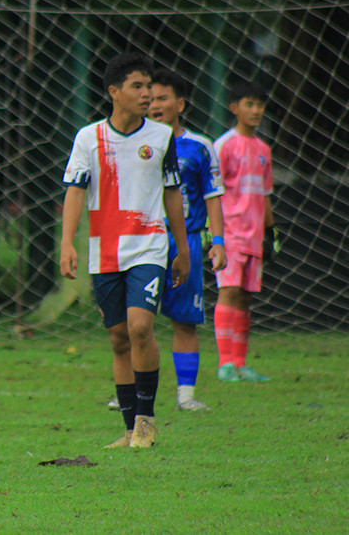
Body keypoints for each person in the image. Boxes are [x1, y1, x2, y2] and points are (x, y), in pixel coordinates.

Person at [60, 52, 190, 449]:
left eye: (149, 86)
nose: (147, 93)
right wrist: (67, 242)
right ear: (115, 92)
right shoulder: (88, 137)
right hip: (104, 251)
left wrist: (181, 248)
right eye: (138, 86)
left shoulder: (162, 137)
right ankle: (130, 428)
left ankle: (147, 423)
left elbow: (172, 193)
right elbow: (75, 191)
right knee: (118, 338)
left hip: (149, 246)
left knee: (140, 327)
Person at [147, 68, 227, 409]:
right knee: (137, 319)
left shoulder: (199, 146)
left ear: (179, 103)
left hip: (188, 242)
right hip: (145, 241)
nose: (154, 105)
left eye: (162, 98)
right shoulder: (137, 143)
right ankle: (134, 389)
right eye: (149, 98)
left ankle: (186, 396)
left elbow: (212, 195)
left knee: (185, 319)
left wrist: (219, 241)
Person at [213, 82, 275, 382]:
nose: (256, 110)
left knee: (246, 297)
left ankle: (240, 362)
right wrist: (214, 234)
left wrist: (271, 231)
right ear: (235, 107)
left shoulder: (264, 149)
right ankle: (225, 363)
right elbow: (211, 191)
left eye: (260, 105)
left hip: (253, 236)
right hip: (230, 234)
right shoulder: (224, 145)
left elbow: (264, 193)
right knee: (229, 291)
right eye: (249, 104)